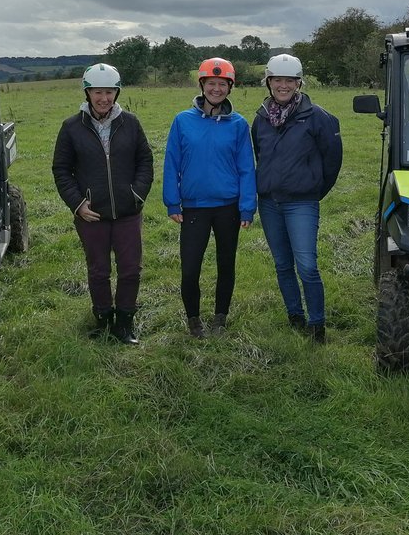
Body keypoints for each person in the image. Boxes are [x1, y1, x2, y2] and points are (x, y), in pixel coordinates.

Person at [52, 63, 154, 344]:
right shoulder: (72, 127)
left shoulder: (131, 123)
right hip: (91, 214)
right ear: (87, 93)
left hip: (127, 212)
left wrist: (137, 195)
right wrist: (77, 204)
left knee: (130, 269)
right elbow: (61, 170)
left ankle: (124, 323)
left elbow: (145, 161)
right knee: (98, 270)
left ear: (117, 93)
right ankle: (102, 320)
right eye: (98, 92)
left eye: (109, 92)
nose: (104, 98)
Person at [251, 54, 342, 343]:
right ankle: (295, 316)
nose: (283, 85)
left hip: (301, 202)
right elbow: (260, 155)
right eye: (277, 79)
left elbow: (332, 161)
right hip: (268, 202)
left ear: (299, 83)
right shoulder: (261, 118)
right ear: (268, 82)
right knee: (282, 263)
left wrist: (313, 191)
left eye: (289, 80)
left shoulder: (318, 118)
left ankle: (317, 325)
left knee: (307, 265)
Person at [163, 57, 257, 338]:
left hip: (228, 207)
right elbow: (171, 162)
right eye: (211, 83)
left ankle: (220, 318)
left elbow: (246, 168)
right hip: (193, 209)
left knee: (225, 266)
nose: (216, 89)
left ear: (230, 88)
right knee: (190, 269)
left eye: (222, 84)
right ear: (202, 84)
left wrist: (247, 208)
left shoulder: (238, 125)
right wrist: (172, 201)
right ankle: (194, 321)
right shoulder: (182, 121)